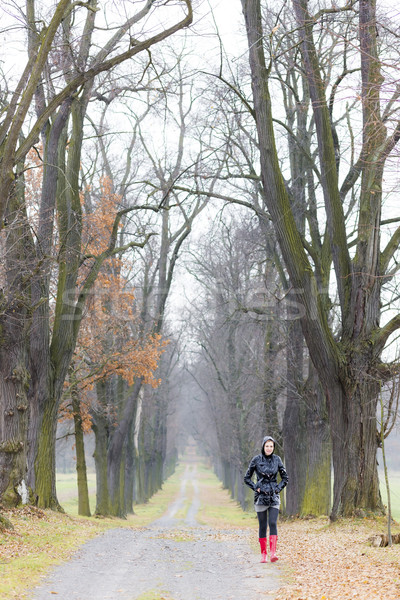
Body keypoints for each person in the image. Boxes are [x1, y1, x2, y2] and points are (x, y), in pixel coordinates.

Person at [244, 435, 288, 563]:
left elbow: (285, 478)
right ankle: (263, 554)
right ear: (263, 446)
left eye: (271, 446)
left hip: (274, 496)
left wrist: (278, 489)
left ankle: (273, 553)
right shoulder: (256, 460)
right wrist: (255, 488)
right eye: (267, 446)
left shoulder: (277, 459)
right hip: (261, 497)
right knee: (262, 525)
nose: (269, 448)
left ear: (274, 448)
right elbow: (247, 478)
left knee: (273, 523)